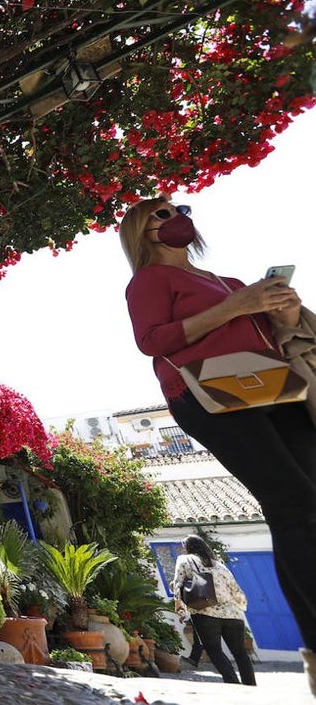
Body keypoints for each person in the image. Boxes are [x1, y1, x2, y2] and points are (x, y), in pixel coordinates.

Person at [120, 198, 316, 696]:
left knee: (310, 501)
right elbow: (152, 340)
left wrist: (284, 310)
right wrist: (237, 306)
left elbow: (272, 335)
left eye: (178, 207)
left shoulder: (227, 280)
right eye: (160, 213)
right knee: (293, 503)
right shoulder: (148, 282)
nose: (175, 216)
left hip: (273, 383)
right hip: (208, 390)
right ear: (141, 231)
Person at [171, 535, 255, 685]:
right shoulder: (219, 564)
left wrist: (179, 607)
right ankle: (250, 685)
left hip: (205, 612)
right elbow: (235, 589)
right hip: (233, 614)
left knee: (214, 650)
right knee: (240, 653)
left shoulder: (184, 560)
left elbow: (178, 583)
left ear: (187, 547)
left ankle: (233, 683)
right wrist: (241, 606)